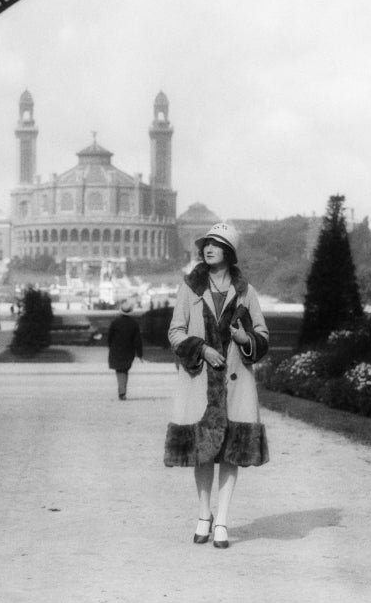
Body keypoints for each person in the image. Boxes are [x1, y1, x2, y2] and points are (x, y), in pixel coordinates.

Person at [164, 222, 269, 550]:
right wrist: (202, 349)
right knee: (202, 454)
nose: (208, 249)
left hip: (235, 384)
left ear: (229, 252)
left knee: (231, 454)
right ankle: (203, 514)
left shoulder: (245, 292)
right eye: (206, 244)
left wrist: (244, 338)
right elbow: (175, 331)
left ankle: (222, 520)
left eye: (217, 244)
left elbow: (263, 336)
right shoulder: (190, 288)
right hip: (200, 382)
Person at [107, 298, 143, 400]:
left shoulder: (115, 322)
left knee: (120, 370)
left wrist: (111, 347)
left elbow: (109, 337)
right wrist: (140, 354)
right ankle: (122, 392)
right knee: (124, 370)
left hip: (116, 350)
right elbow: (137, 341)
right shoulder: (134, 324)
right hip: (128, 350)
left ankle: (122, 391)